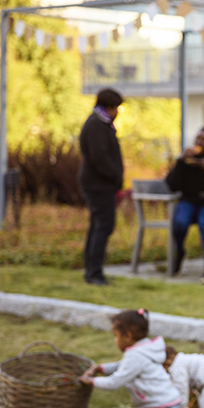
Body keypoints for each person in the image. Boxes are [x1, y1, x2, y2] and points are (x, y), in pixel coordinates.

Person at [80, 309, 182, 408]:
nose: (115, 340)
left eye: (116, 336)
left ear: (128, 336)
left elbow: (114, 383)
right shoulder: (145, 348)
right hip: (170, 404)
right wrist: (101, 368)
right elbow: (122, 366)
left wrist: (91, 381)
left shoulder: (135, 356)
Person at [78, 88, 124, 285]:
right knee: (103, 226)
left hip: (99, 184)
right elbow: (100, 157)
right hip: (98, 184)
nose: (118, 112)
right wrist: (114, 176)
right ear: (109, 106)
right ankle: (94, 273)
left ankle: (92, 269)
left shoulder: (100, 123)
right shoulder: (97, 125)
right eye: (117, 108)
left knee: (97, 226)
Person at [165, 127, 204, 284]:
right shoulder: (185, 159)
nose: (199, 142)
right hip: (188, 202)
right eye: (198, 138)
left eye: (203, 139)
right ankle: (179, 252)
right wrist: (180, 162)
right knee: (180, 220)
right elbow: (171, 185)